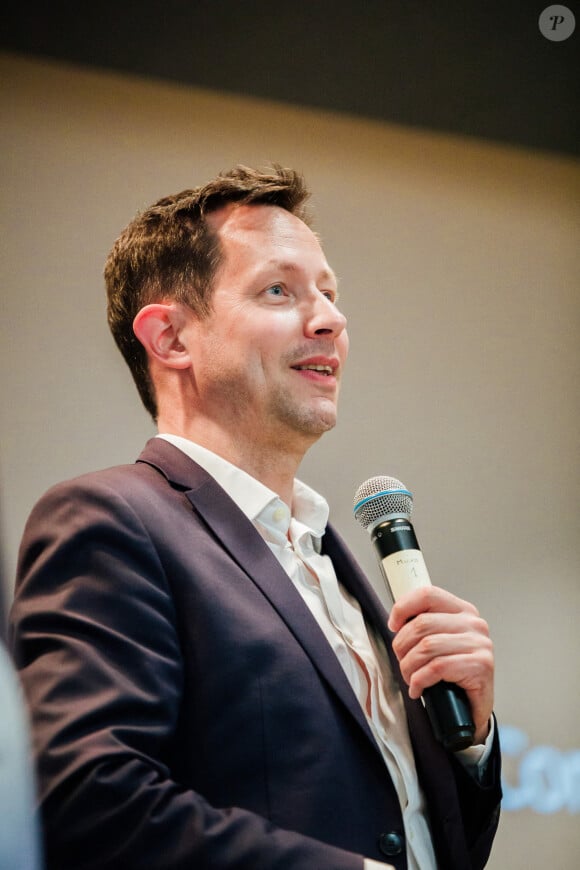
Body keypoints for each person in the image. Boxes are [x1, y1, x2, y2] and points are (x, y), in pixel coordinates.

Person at [10, 165, 501, 870]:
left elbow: (416, 836)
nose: (331, 319)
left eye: (330, 293)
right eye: (280, 290)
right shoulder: (111, 521)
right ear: (171, 338)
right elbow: (90, 801)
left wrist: (473, 742)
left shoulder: (333, 557)